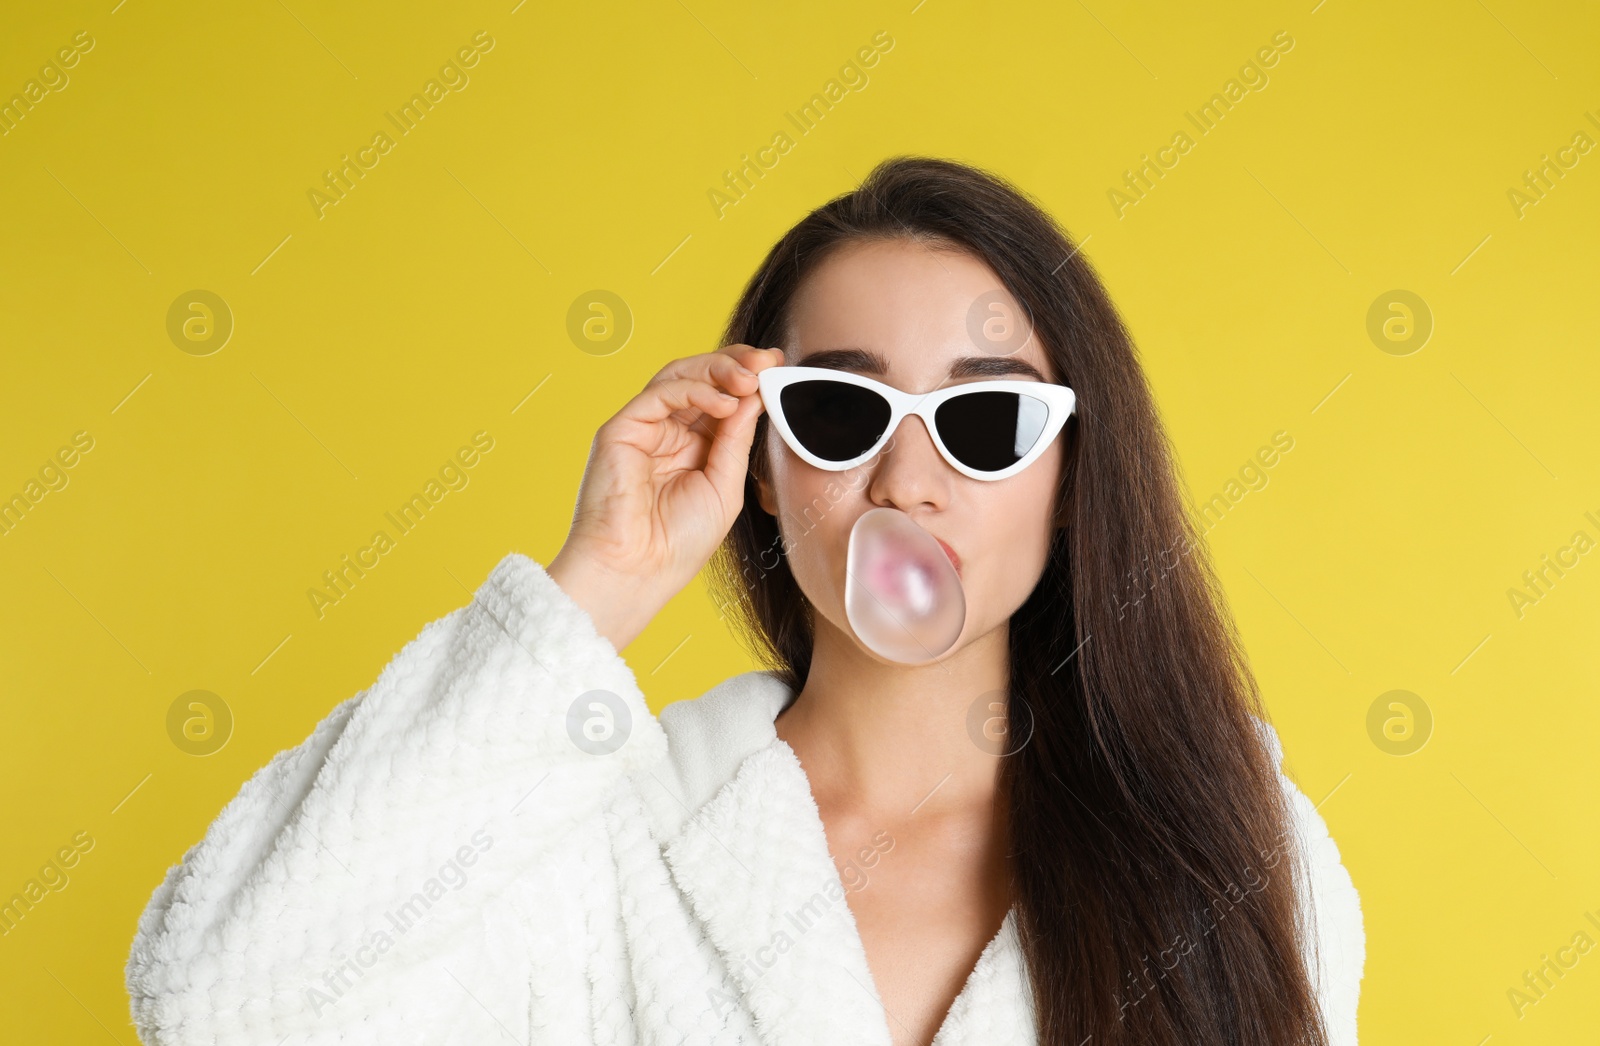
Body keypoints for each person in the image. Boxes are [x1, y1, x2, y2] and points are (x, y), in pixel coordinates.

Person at [125, 156, 1364, 1046]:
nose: (907, 481)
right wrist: (599, 584)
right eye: (840, 410)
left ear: (1071, 476)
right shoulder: (599, 844)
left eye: (986, 420)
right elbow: (223, 998)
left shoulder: (1233, 849)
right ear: (761, 464)